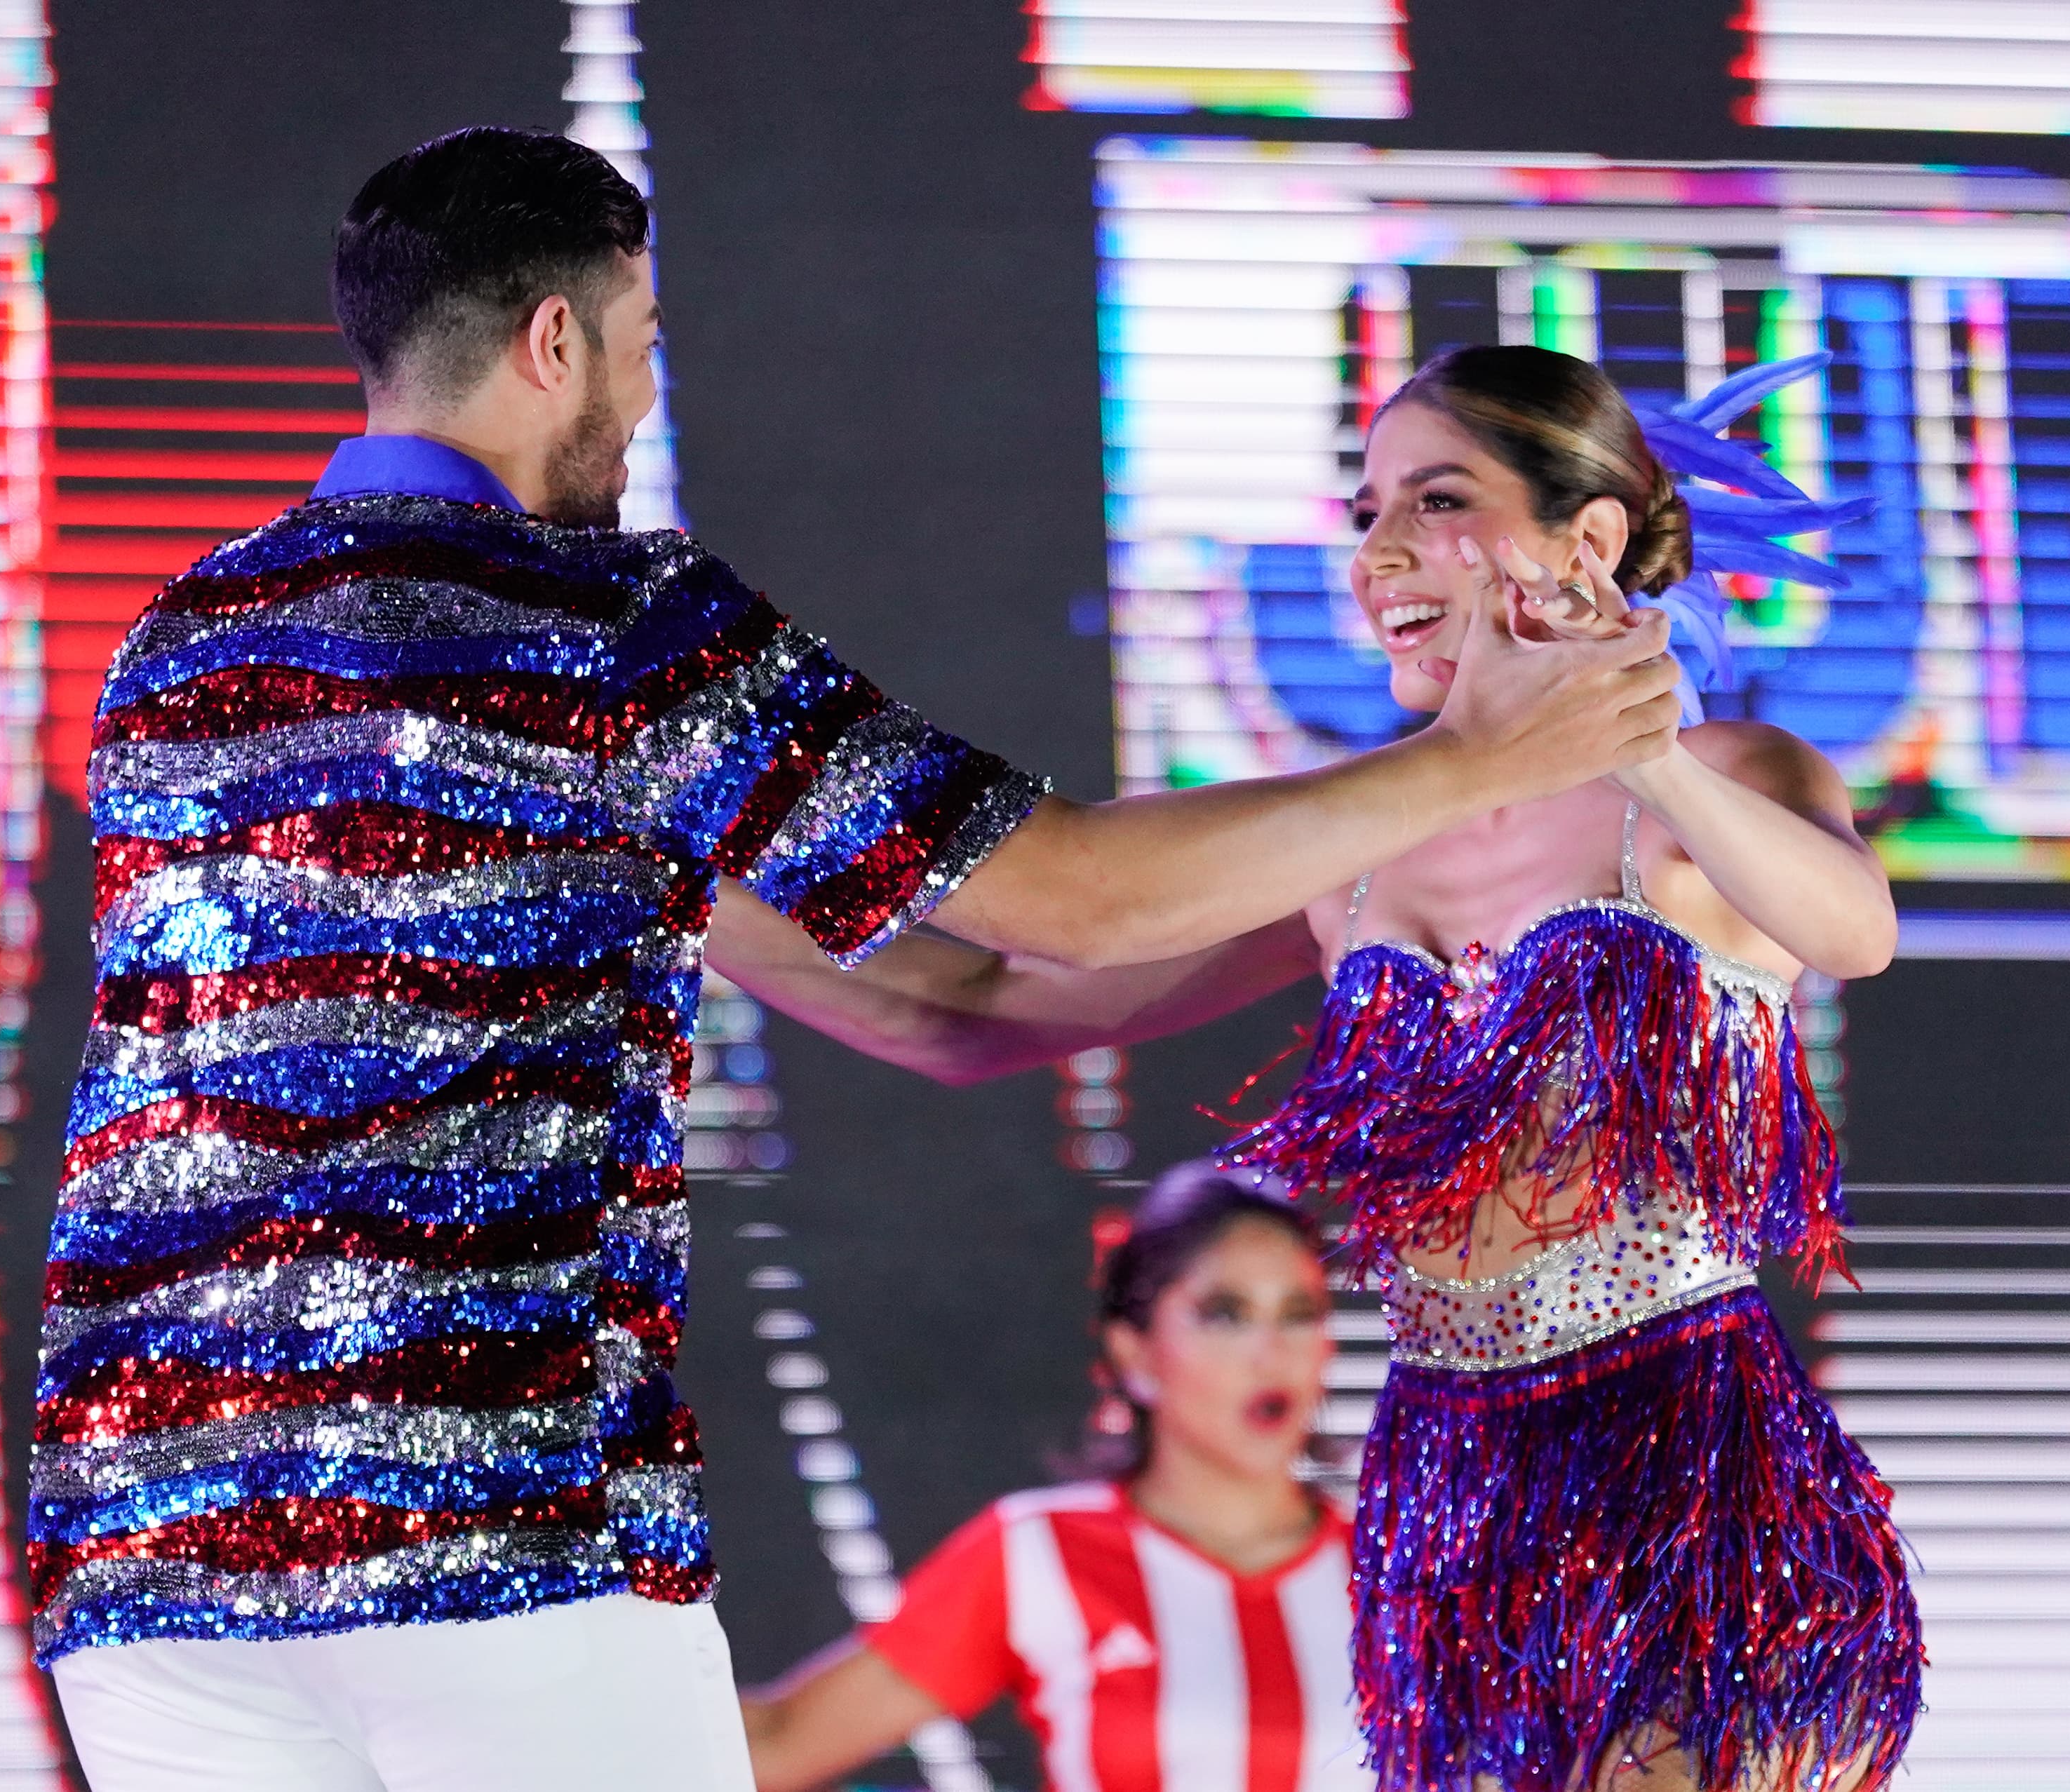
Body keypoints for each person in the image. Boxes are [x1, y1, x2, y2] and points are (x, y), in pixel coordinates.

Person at [31, 128, 1683, 1791]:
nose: (648, 390)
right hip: (499, 1535)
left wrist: (1360, 871)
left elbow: (928, 1007)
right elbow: (1075, 899)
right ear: (555, 345)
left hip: (144, 1576)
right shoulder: (621, 628)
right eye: (647, 340)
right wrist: (1476, 765)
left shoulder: (179, 643)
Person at [718, 346, 1923, 1791]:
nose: (1380, 552)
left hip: (1673, 1450)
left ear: (1585, 540)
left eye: (1436, 499)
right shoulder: (1347, 844)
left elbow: (1849, 930)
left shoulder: (1724, 779)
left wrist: (1640, 743)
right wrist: (657, 873)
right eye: (1365, 513)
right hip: (1446, 1487)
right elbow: (970, 1000)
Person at [744, 1164, 1373, 1792]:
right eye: (1226, 1314)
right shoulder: (1039, 1551)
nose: (1272, 1352)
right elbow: (778, 1743)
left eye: (1299, 1312)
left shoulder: (1398, 1572)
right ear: (1136, 1354)